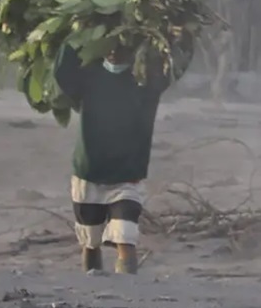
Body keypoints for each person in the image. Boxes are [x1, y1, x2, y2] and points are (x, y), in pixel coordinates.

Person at [54, 39, 192, 275]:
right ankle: (91, 292)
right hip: (89, 173)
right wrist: (73, 35)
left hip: (128, 175)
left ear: (134, 48)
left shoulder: (145, 82)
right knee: (91, 242)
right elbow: (62, 71)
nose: (115, 51)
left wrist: (180, 37)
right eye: (109, 44)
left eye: (122, 45)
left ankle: (126, 295)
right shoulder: (88, 76)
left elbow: (176, 64)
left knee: (126, 240)